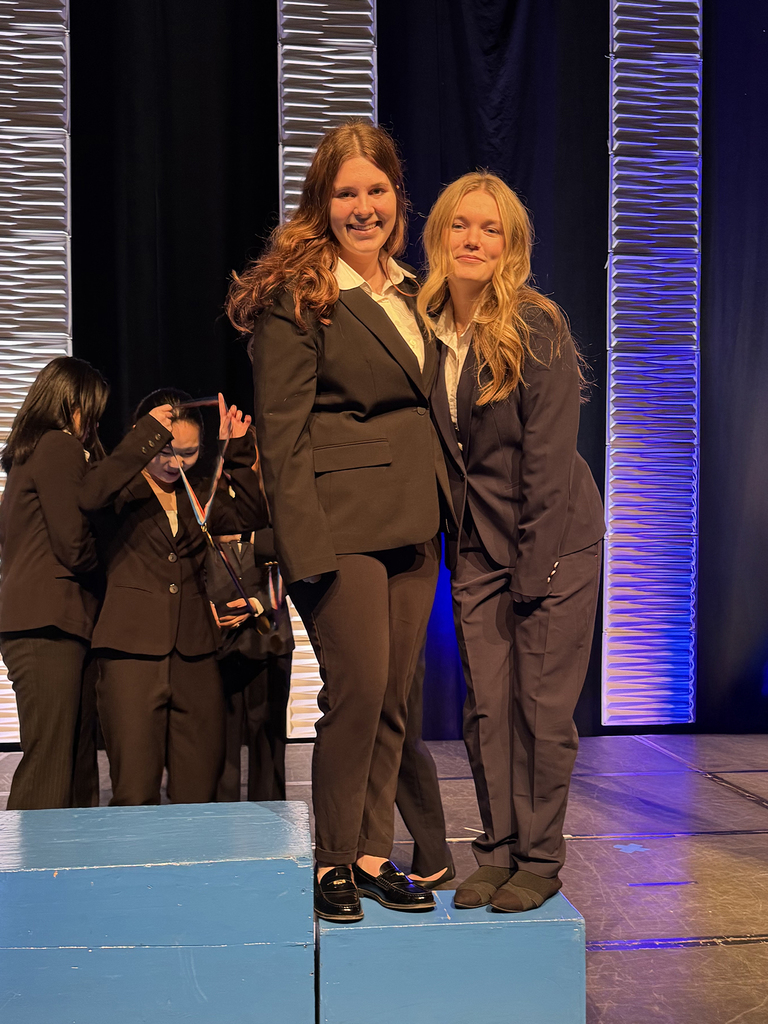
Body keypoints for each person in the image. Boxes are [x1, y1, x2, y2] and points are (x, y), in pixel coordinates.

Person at [228, 121, 453, 921]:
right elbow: (280, 436)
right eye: (346, 192)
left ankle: (369, 853)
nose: (363, 207)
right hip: (340, 525)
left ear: (399, 195)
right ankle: (331, 861)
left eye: (376, 190)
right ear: (322, 203)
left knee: (395, 697)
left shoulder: (409, 292)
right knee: (355, 692)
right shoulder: (302, 295)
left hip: (415, 524)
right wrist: (305, 551)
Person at [419, 172, 605, 912]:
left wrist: (534, 568)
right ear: (438, 236)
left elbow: (548, 462)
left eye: (490, 229)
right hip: (475, 551)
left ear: (512, 247)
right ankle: (494, 851)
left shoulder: (536, 327)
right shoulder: (425, 330)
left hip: (551, 541)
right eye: (461, 225)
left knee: (539, 708)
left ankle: (539, 856)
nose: (473, 240)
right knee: (486, 711)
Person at [80, 389, 266, 806]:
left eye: (188, 453)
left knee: (198, 788)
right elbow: (88, 496)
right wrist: (143, 436)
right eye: (165, 450)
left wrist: (236, 449)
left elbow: (252, 515)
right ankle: (134, 871)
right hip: (130, 654)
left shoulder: (196, 492)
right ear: (143, 437)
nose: (174, 463)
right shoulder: (118, 490)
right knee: (134, 790)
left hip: (196, 654)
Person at [0, 356, 110, 809]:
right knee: (50, 762)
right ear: (72, 402)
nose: (93, 426)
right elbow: (73, 544)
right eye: (92, 412)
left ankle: (60, 872)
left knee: (68, 758)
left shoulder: (30, 456)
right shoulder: (58, 446)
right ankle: (24, 877)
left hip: (45, 623)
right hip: (50, 625)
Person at [209, 523, 294, 802]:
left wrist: (259, 602)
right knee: (220, 749)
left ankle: (271, 827)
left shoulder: (270, 494)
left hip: (269, 637)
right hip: (216, 639)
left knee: (268, 745)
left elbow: (293, 556)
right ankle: (220, 826)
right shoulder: (200, 492)